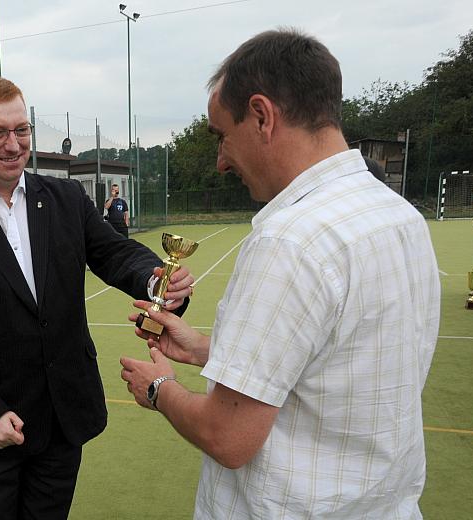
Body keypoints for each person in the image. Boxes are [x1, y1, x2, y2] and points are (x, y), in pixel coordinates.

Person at [120, 29, 440, 519]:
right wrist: (206, 350)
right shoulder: (397, 214)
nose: (221, 161)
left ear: (262, 116)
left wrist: (159, 388)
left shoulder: (290, 240)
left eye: (222, 136)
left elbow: (228, 437)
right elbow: (333, 361)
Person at [0, 76, 193, 520]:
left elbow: (115, 253)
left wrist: (157, 282)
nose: (13, 144)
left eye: (21, 130)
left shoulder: (65, 198)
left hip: (63, 420)